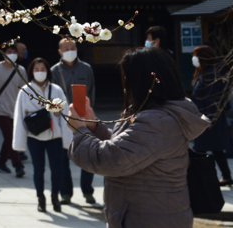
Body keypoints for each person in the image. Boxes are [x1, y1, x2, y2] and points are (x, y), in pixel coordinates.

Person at [67, 47, 210, 228]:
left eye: (127, 76)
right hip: (152, 215)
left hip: (150, 218)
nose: (125, 82)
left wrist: (79, 129)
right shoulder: (156, 114)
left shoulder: (156, 121)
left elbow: (112, 159)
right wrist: (93, 126)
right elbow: (127, 147)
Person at [12, 58, 73, 212]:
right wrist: (19, 142)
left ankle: (55, 196)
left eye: (43, 69)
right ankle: (41, 198)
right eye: (36, 69)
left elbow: (65, 114)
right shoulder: (25, 91)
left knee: (57, 168)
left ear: (48, 71)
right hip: (35, 136)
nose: (40, 72)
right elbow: (19, 117)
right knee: (38, 169)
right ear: (31, 71)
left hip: (55, 136)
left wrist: (68, 138)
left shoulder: (56, 90)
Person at [51, 38, 97, 205]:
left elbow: (92, 91)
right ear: (60, 52)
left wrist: (88, 114)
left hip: (84, 118)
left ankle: (87, 190)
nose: (70, 50)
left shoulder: (86, 69)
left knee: (88, 154)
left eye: (73, 47)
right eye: (66, 48)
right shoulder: (54, 71)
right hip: (63, 120)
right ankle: (65, 193)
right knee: (63, 158)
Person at [190, 46, 233, 185]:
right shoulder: (202, 72)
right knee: (215, 150)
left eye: (196, 55)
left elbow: (212, 99)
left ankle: (204, 178)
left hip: (208, 118)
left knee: (202, 150)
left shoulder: (210, 74)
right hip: (205, 117)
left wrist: (209, 119)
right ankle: (224, 176)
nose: (194, 58)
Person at [0, 42, 27, 177]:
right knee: (10, 136)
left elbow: (25, 91)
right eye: (8, 52)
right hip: (0, 108)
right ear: (3, 54)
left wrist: (26, 107)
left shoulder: (21, 70)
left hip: (15, 109)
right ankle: (18, 164)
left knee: (9, 137)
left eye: (14, 52)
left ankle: (1, 161)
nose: (11, 55)